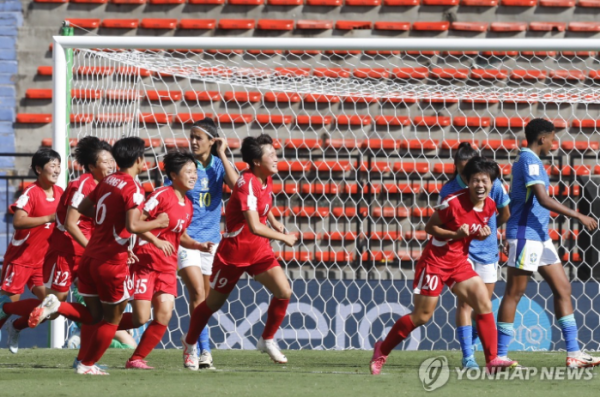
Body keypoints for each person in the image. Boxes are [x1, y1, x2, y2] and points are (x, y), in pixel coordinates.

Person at [369, 156, 518, 375]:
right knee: (422, 316)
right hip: (435, 263)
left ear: (492, 183)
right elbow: (430, 228)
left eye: (485, 181)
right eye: (476, 180)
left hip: (459, 263)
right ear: (467, 181)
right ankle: (382, 349)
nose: (480, 185)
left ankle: (492, 360)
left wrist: (479, 234)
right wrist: (456, 234)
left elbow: (470, 232)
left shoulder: (489, 206)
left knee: (483, 303)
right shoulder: (452, 202)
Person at [181, 134, 297, 370]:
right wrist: (284, 237)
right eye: (271, 155)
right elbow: (254, 225)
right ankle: (190, 343)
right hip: (233, 253)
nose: (276, 158)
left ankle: (267, 339)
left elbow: (261, 205)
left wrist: (274, 221)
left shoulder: (266, 179)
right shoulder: (246, 183)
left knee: (284, 291)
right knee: (211, 305)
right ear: (256, 161)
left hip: (259, 250)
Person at [497, 118, 600, 367]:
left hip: (540, 236)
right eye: (553, 138)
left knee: (563, 288)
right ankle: (498, 355)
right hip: (525, 234)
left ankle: (574, 353)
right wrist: (578, 215)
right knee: (514, 293)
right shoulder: (529, 159)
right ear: (542, 138)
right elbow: (543, 199)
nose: (555, 143)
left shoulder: (531, 160)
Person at [68, 137, 168, 375]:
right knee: (112, 319)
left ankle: (65, 321)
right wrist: (158, 222)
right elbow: (133, 226)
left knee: (95, 316)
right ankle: (87, 364)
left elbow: (82, 209)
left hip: (90, 257)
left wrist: (109, 219)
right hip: (111, 262)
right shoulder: (133, 187)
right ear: (139, 160)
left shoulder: (107, 181)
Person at [124, 150, 214, 369]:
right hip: (145, 262)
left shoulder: (188, 205)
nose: (194, 176)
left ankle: (136, 359)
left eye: (195, 172)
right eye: (189, 172)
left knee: (164, 315)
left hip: (167, 266)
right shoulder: (160, 195)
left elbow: (179, 235)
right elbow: (137, 224)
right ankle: (101, 323)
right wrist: (155, 240)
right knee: (141, 318)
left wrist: (197, 245)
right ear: (174, 175)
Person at [438, 142, 510, 369]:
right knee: (465, 305)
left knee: (484, 306)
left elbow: (505, 211)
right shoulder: (449, 191)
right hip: (462, 253)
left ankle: (474, 344)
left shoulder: (493, 184)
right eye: (462, 171)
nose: (468, 176)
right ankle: (468, 356)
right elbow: (438, 223)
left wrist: (492, 229)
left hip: (488, 251)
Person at [175, 118, 238, 369]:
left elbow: (237, 187)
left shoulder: (219, 167)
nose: (192, 141)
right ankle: (202, 350)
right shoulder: (184, 166)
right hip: (187, 239)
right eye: (191, 136)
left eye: (198, 137)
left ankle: (193, 343)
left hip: (212, 241)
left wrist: (222, 154)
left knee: (207, 302)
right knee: (198, 294)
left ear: (212, 141)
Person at [0, 148, 63, 353]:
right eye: (52, 165)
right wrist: (47, 218)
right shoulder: (31, 192)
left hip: (41, 263)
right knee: (5, 308)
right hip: (20, 259)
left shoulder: (60, 193)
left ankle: (16, 327)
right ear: (38, 169)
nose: (57, 169)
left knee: (52, 309)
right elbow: (18, 221)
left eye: (59, 165)